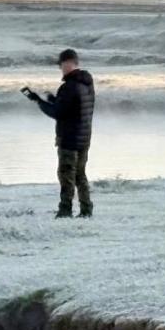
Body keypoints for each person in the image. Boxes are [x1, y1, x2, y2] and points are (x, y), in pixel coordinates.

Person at [25, 49, 96, 218]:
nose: (60, 69)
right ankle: (86, 209)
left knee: (66, 175)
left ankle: (65, 210)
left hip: (69, 138)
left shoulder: (69, 86)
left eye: (61, 65)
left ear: (67, 63)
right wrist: (53, 99)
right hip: (84, 136)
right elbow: (71, 108)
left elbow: (58, 113)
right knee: (80, 174)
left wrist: (38, 101)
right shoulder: (87, 83)